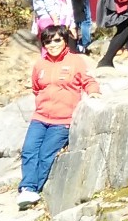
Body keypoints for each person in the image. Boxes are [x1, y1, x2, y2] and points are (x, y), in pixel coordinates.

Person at [16, 24, 100, 208]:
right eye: (47, 42)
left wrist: (93, 92)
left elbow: (89, 81)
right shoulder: (40, 65)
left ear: (64, 40)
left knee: (46, 154)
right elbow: (37, 89)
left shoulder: (76, 61)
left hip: (63, 121)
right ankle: (27, 188)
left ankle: (33, 188)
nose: (52, 44)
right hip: (40, 118)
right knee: (29, 150)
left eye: (56, 40)